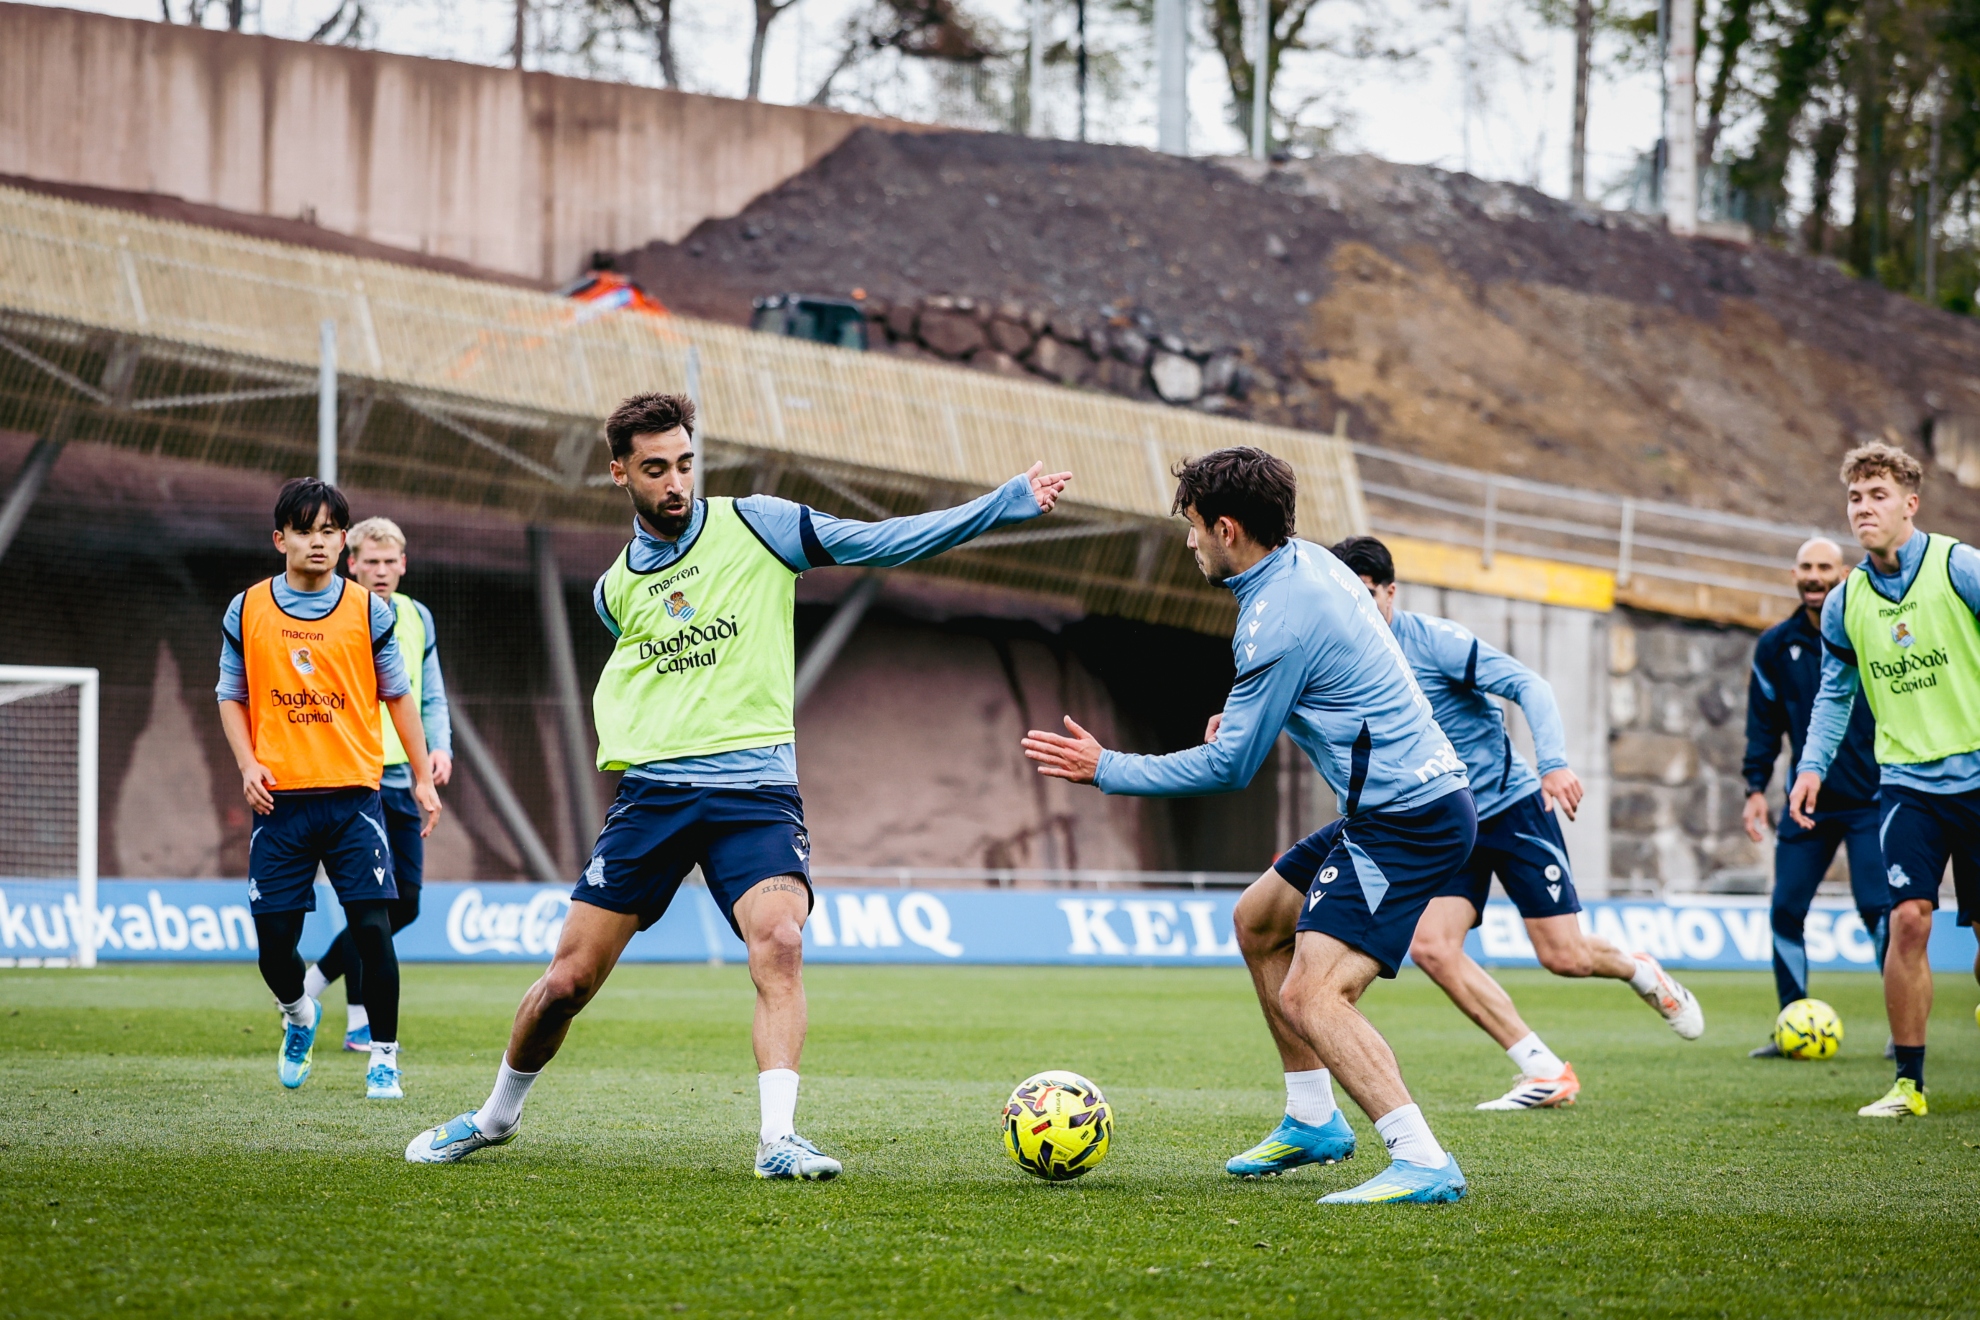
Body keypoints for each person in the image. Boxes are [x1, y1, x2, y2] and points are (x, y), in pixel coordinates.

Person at [406, 392, 1072, 1178]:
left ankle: (777, 1141)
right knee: (567, 982)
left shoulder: (762, 524)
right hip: (653, 798)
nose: (676, 482)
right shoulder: (613, 588)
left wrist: (1002, 505)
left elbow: (884, 542)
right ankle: (494, 1117)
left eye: (686, 463)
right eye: (655, 469)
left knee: (781, 945)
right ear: (618, 472)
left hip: (754, 790)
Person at [1023, 448, 1476, 1205]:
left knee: (1314, 996)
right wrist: (1261, 713)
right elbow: (1354, 675)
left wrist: (1108, 768)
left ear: (1227, 529)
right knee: (1260, 920)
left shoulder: (1275, 623)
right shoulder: (1314, 567)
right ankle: (1314, 1121)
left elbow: (1229, 770)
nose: (1190, 542)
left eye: (1194, 528)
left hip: (1408, 821)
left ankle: (1421, 1157)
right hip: (1396, 805)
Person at [1312, 537, 1700, 1117]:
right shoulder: (1344, 656)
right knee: (1434, 949)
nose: (1360, 609)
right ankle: (1543, 1068)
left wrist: (1553, 763)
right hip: (1446, 818)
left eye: (1369, 596)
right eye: (1349, 598)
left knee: (1563, 957)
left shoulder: (1434, 641)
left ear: (1392, 591)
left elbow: (1529, 685)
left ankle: (1638, 969)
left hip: (1514, 805)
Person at [216, 478, 442, 1101]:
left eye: (328, 531)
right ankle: (299, 1014)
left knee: (375, 927)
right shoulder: (247, 608)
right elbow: (230, 696)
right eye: (304, 530)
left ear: (343, 541)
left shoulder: (370, 611)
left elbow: (400, 697)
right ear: (279, 538)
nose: (317, 542)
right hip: (280, 802)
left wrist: (422, 778)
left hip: (352, 798)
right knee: (273, 950)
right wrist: (246, 764)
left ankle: (386, 1058)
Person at [1790, 442, 1980, 1118]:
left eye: (1877, 495)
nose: (1863, 508)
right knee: (1908, 922)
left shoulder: (1961, 568)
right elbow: (1834, 696)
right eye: (1854, 497)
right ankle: (1909, 1084)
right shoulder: (1846, 602)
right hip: (1907, 787)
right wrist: (1811, 765)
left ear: (1911, 503)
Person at [302, 516, 455, 1053]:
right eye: (372, 562)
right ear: (353, 564)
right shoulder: (334, 613)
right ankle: (359, 1026)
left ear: (404, 564)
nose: (382, 571)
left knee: (404, 903)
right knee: (371, 905)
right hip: (356, 779)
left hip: (405, 781)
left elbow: (429, 693)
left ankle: (312, 983)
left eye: (391, 562)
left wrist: (439, 748)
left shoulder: (417, 617)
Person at [1742, 537, 1889, 1056]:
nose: (1814, 576)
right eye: (1806, 567)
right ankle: (1791, 1025)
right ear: (1793, 574)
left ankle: (1903, 1029)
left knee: (1880, 910)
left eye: (1824, 567)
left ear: (1843, 573)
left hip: (1873, 799)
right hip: (1808, 806)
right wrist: (1754, 789)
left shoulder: (1868, 631)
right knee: (1785, 909)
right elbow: (1763, 727)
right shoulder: (1775, 647)